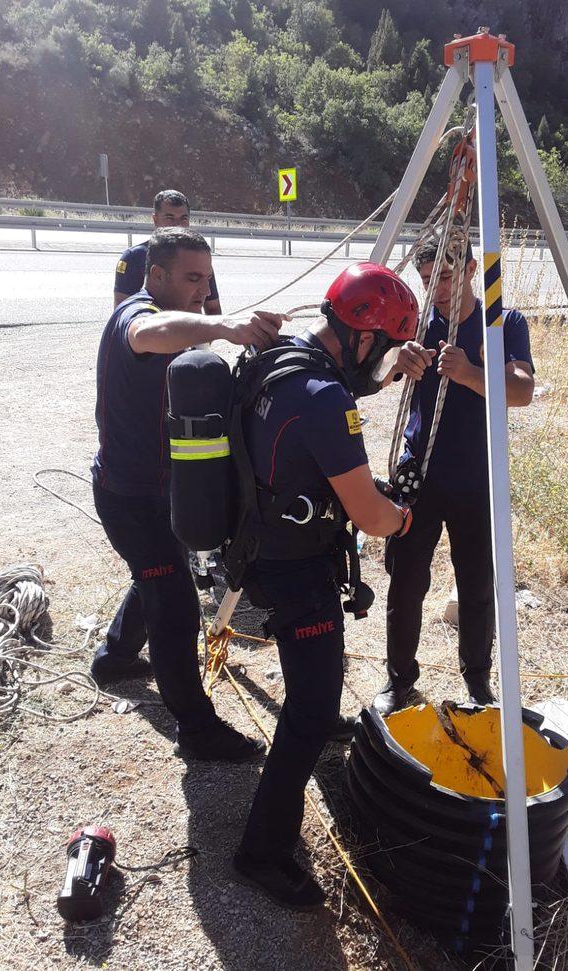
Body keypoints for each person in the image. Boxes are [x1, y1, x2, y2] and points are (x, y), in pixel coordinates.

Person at [231, 262, 419, 909]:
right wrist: (400, 516)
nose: (384, 362)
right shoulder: (324, 398)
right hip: (296, 568)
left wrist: (390, 376)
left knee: (314, 691)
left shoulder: (284, 358)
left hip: (260, 541)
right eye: (385, 349)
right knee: (311, 708)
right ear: (363, 337)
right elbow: (370, 516)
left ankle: (312, 725)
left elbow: (310, 435)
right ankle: (260, 852)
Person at [91, 226, 284, 762]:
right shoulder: (137, 316)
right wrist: (225, 325)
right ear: (156, 276)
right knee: (174, 605)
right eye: (192, 278)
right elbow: (150, 333)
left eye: (208, 278)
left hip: (156, 492)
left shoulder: (174, 318)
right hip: (132, 499)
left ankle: (114, 658)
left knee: (159, 573)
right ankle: (197, 730)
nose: (203, 289)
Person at [372, 239, 535, 716]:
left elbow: (522, 391)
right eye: (426, 281)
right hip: (419, 476)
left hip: (476, 479)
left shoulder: (502, 322)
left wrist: (469, 372)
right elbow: (372, 373)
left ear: (469, 268)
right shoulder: (415, 321)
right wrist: (395, 362)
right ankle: (399, 680)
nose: (436, 290)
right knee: (406, 582)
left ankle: (478, 682)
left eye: (443, 277)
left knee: (476, 585)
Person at [113, 189, 222, 314]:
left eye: (183, 218)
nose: (178, 225)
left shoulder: (197, 258)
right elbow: (123, 311)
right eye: (170, 218)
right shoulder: (134, 258)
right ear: (155, 219)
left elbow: (213, 308)